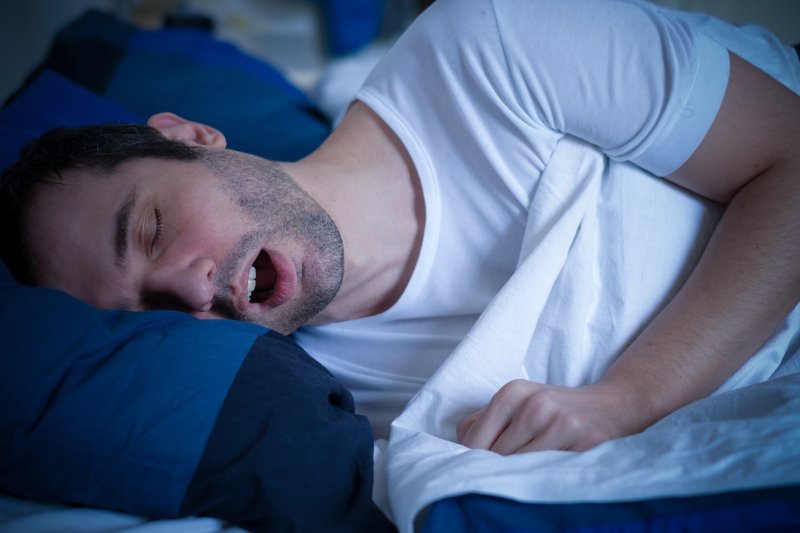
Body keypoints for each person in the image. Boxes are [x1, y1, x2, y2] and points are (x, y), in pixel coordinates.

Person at [2, 0, 799, 454]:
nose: (181, 287)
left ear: (189, 137)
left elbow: (790, 158)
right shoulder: (330, 402)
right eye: (145, 309)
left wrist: (627, 400)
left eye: (147, 231)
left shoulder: (489, 43)